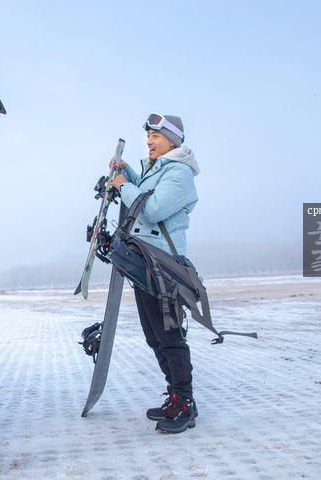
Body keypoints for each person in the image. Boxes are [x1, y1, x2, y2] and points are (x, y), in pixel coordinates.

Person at [110, 113, 200, 434]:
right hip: (145, 259)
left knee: (170, 338)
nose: (149, 141)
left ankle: (185, 405)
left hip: (164, 265)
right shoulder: (158, 169)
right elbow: (145, 191)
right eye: (148, 135)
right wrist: (128, 173)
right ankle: (175, 396)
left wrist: (122, 186)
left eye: (155, 136)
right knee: (154, 336)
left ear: (172, 141)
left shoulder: (179, 173)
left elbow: (152, 209)